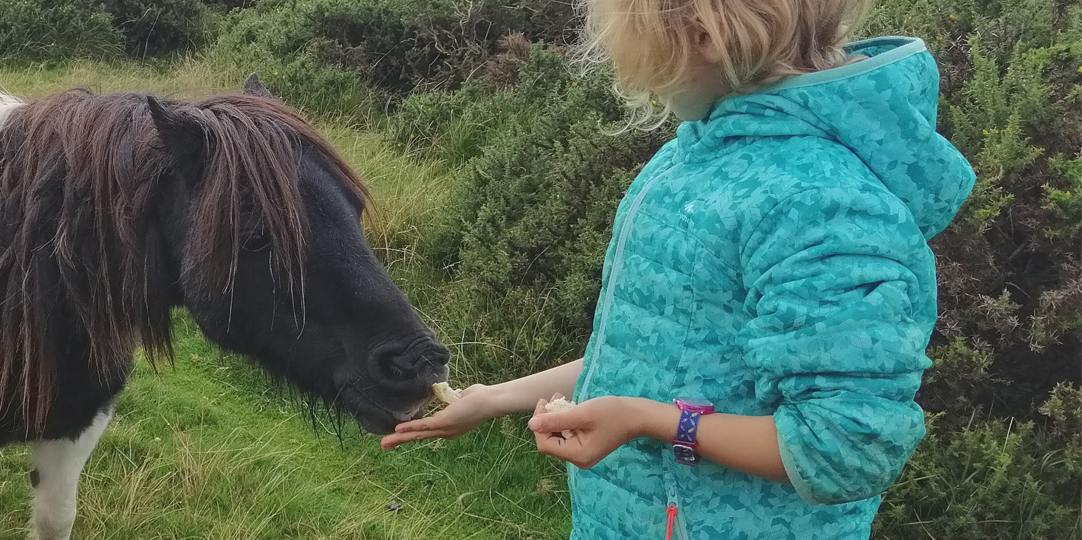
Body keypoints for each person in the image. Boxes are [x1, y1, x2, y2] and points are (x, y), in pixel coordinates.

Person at [379, 0, 975, 538]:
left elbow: (842, 449)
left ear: (704, 34)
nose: (616, 54)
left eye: (622, 27)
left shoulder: (820, 204)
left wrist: (649, 420)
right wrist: (494, 398)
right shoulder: (698, 152)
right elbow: (664, 355)